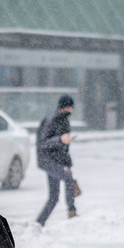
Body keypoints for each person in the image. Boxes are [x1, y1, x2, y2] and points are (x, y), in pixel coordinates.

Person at [35, 95, 78, 226]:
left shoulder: (64, 121)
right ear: (63, 107)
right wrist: (59, 139)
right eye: (69, 107)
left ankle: (38, 223)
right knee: (68, 179)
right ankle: (72, 211)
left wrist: (68, 164)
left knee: (54, 197)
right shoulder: (51, 120)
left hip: (57, 160)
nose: (71, 110)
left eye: (72, 107)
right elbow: (43, 143)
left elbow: (64, 148)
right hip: (46, 160)